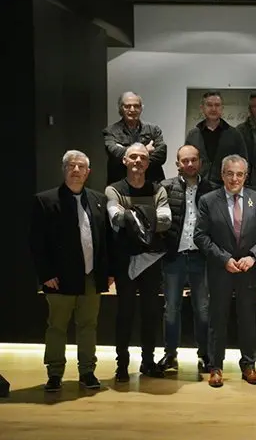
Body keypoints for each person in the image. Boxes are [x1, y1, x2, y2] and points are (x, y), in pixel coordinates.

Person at [30, 150, 114, 392]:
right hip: (59, 279)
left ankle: (87, 371)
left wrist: (107, 272)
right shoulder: (45, 200)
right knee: (57, 326)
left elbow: (105, 240)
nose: (76, 170)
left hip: (90, 276)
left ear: (88, 172)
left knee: (88, 325)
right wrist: (45, 274)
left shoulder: (98, 200)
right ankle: (54, 373)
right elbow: (37, 242)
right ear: (64, 169)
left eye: (81, 167)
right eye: (71, 166)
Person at [194, 155, 256, 388]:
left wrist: (253, 256)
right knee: (217, 320)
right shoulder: (209, 200)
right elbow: (200, 236)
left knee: (248, 320)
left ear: (245, 176)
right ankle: (215, 367)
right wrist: (224, 258)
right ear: (222, 174)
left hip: (249, 271)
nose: (234, 178)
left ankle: (248, 365)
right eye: (230, 173)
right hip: (221, 270)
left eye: (239, 174)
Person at [105, 143, 171, 382]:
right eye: (133, 156)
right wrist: (147, 216)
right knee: (125, 314)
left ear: (148, 162)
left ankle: (147, 361)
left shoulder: (158, 189)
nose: (137, 161)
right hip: (125, 260)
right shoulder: (114, 189)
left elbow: (165, 221)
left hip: (152, 261)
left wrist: (132, 215)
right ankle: (121, 365)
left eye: (142, 157)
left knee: (150, 314)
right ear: (124, 160)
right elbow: (115, 218)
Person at [156, 145, 215, 374]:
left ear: (200, 162)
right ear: (178, 164)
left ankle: (205, 355)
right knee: (171, 308)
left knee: (203, 309)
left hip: (201, 258)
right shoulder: (165, 187)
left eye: (194, 160)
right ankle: (170, 355)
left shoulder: (211, 189)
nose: (189, 164)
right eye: (185, 161)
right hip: (174, 257)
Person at [185, 91, 249, 188]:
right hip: (198, 188)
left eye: (217, 105)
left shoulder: (235, 135)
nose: (213, 109)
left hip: (226, 190)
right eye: (209, 105)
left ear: (222, 108)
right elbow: (185, 161)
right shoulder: (193, 135)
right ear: (202, 108)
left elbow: (243, 164)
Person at [103, 92, 167, 185]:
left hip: (151, 184)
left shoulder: (154, 130)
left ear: (141, 108)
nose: (132, 110)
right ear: (121, 108)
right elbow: (114, 153)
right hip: (121, 186)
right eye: (128, 106)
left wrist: (128, 155)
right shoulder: (110, 131)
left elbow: (161, 155)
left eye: (136, 106)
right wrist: (145, 151)